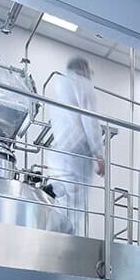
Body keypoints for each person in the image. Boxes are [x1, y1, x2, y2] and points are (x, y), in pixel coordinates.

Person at [45, 56, 105, 234]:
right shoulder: (83, 85)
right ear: (83, 69)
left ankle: (48, 238)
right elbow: (90, 120)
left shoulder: (60, 88)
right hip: (77, 152)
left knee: (61, 199)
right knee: (74, 206)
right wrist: (99, 154)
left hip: (59, 152)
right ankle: (65, 245)